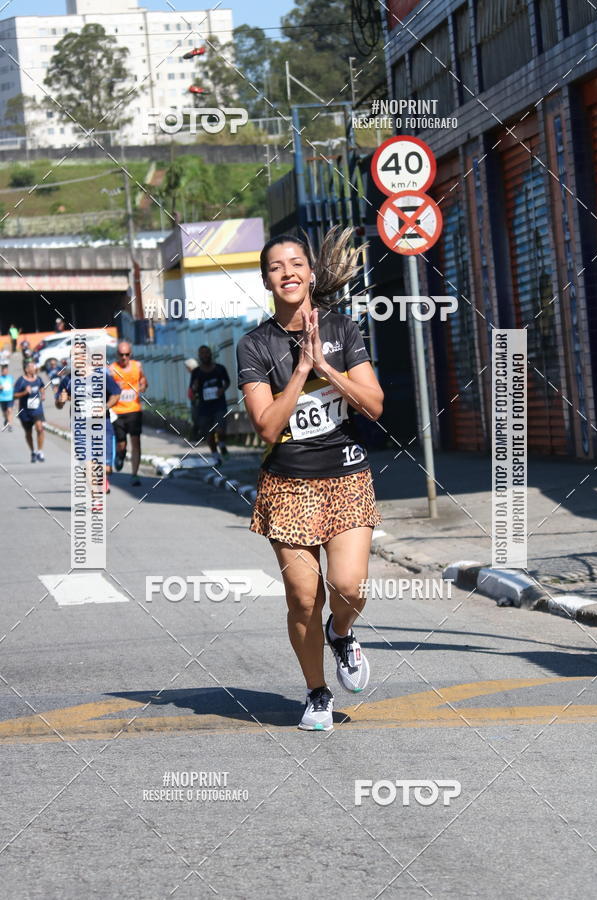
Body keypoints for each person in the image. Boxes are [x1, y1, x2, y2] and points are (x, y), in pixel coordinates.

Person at [236, 227, 384, 732]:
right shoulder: (255, 346)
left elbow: (375, 404)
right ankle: (317, 692)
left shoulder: (343, 330)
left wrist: (327, 365)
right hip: (288, 486)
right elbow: (267, 428)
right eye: (276, 267)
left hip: (346, 477)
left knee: (348, 586)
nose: (288, 273)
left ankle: (341, 633)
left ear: (311, 273)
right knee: (302, 597)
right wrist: (301, 370)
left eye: (296, 263)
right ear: (266, 281)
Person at [56, 358, 121, 494]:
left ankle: (102, 477)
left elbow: (116, 393)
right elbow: (59, 403)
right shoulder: (67, 380)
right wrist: (61, 401)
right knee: (87, 463)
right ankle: (95, 499)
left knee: (105, 468)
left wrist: (105, 407)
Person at [109, 341, 148, 487]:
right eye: (121, 354)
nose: (124, 357)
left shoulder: (137, 366)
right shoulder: (112, 369)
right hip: (117, 411)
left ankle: (134, 474)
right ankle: (121, 453)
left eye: (126, 354)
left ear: (130, 354)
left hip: (134, 410)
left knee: (136, 442)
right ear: (117, 354)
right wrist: (114, 387)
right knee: (121, 443)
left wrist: (143, 385)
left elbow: (143, 380)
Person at [189, 345, 230, 461]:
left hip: (219, 404)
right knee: (209, 432)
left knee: (220, 429)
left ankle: (222, 444)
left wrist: (222, 389)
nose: (205, 355)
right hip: (204, 407)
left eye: (207, 353)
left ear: (211, 354)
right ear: (199, 356)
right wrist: (195, 386)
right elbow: (192, 389)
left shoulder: (220, 369)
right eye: (202, 353)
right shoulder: (196, 372)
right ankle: (215, 456)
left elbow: (227, 382)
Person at [13, 360, 46, 462]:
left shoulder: (38, 378)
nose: (35, 368)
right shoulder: (21, 381)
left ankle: (40, 451)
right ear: (27, 369)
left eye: (34, 366)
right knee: (28, 432)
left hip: (37, 409)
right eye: (32, 367)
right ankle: (33, 451)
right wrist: (24, 392)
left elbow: (42, 387)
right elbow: (14, 395)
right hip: (25, 411)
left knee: (40, 428)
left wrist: (43, 394)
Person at [0, 362, 14, 431]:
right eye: (3, 371)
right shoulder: (0, 378)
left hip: (10, 397)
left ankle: (10, 425)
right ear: (1, 371)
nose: (4, 372)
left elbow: (13, 386)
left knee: (9, 410)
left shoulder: (10, 377)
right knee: (4, 413)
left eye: (6, 371)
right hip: (2, 398)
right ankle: (6, 419)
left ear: (7, 371)